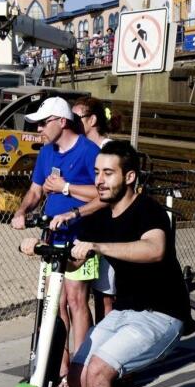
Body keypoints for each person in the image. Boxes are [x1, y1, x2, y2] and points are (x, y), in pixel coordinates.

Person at [18, 141, 192, 387]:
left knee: (98, 372)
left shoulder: (148, 211)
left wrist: (97, 246)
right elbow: (73, 258)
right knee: (79, 378)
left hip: (162, 314)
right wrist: (42, 250)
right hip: (125, 312)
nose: (99, 180)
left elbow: (154, 250)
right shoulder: (99, 219)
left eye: (108, 173)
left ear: (129, 177)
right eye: (97, 172)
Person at [10, 96, 103, 387]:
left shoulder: (89, 151)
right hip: (53, 238)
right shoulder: (46, 153)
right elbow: (36, 190)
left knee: (77, 301)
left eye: (43, 122)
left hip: (80, 237)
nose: (38, 128)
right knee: (55, 302)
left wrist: (65, 189)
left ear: (61, 121)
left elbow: (102, 194)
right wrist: (22, 211)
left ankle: (81, 369)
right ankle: (59, 370)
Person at [71, 96, 117, 323]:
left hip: (108, 231)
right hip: (87, 231)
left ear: (92, 120)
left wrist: (68, 189)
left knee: (105, 296)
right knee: (84, 297)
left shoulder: (108, 149)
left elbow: (110, 195)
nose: (72, 122)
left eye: (76, 117)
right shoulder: (79, 148)